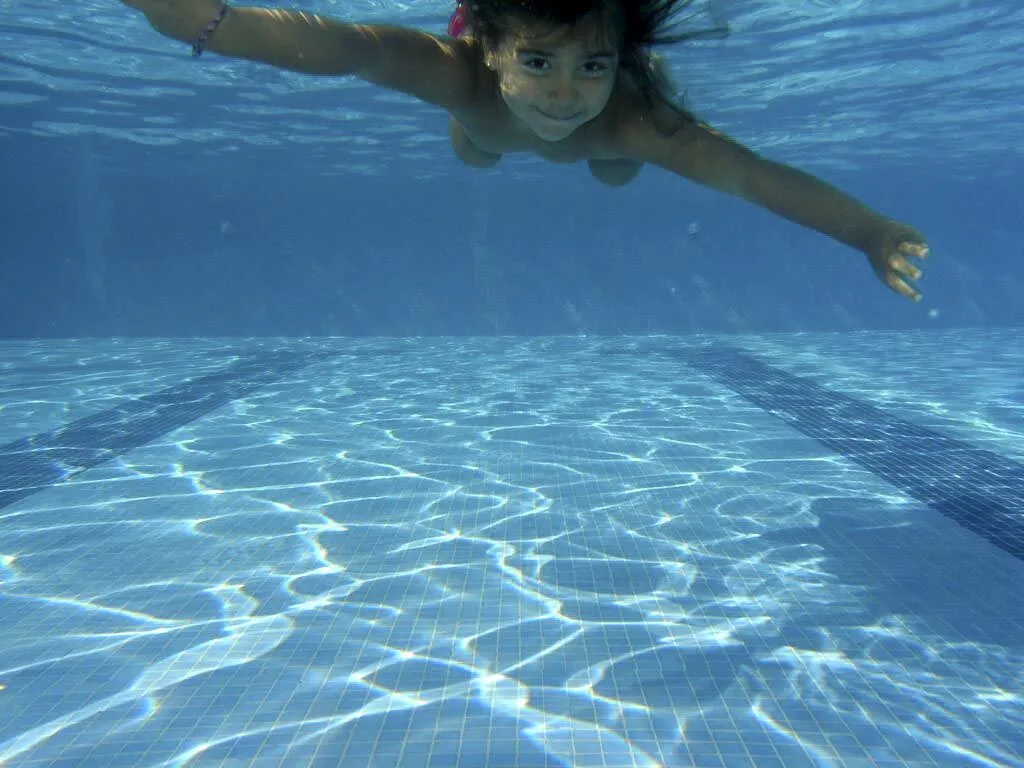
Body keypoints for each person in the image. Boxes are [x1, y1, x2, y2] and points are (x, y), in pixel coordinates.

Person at [118, 0, 930, 301]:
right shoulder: (456, 75)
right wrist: (208, 22)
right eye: (539, 63)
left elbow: (752, 177)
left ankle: (624, 76)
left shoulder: (630, 119)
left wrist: (868, 232)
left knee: (618, 167)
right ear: (490, 47)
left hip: (617, 135)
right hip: (484, 119)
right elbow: (348, 47)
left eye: (590, 67)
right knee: (476, 149)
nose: (566, 93)